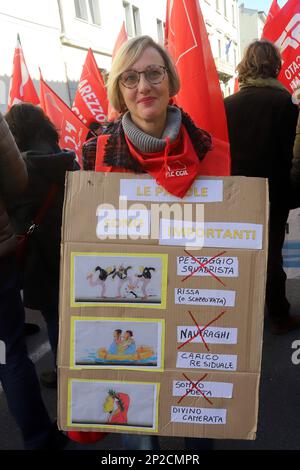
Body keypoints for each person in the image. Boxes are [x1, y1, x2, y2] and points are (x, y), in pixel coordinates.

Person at [73, 35, 212, 450]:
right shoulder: (93, 154)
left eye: (154, 73)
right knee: (140, 436)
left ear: (170, 80)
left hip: (196, 310)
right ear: (118, 90)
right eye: (130, 78)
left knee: (197, 431)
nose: (143, 86)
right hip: (129, 311)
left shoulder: (211, 151)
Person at [224, 40, 299, 335]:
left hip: (236, 194)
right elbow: (290, 153)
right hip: (274, 193)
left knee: (240, 254)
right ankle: (278, 315)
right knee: (271, 257)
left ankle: (240, 315)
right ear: (274, 66)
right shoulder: (284, 103)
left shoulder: (227, 105)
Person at [0, 110, 65, 449]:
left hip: (38, 264)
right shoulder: (64, 158)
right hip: (61, 257)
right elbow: (15, 181)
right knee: (10, 354)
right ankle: (41, 439)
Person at [5, 103, 80, 388]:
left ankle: (64, 376)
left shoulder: (18, 171)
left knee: (54, 319)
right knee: (76, 318)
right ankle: (82, 372)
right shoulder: (68, 161)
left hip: (38, 261)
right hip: (73, 250)